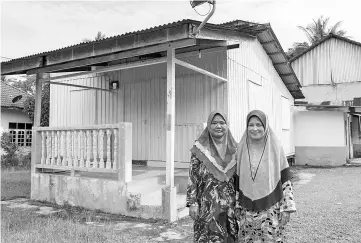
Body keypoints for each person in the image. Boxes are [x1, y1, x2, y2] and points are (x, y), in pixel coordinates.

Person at [235, 110, 296, 243]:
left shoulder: (275, 147)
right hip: (246, 209)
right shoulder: (241, 147)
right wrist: (237, 205)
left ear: (265, 126)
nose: (255, 128)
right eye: (251, 125)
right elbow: (237, 180)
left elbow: (285, 179)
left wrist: (287, 207)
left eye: (259, 124)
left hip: (271, 208)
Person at [186, 110, 239, 243]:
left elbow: (241, 179)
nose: (218, 126)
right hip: (206, 206)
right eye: (214, 123)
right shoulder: (199, 149)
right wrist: (192, 203)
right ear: (208, 126)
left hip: (230, 207)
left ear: (227, 125)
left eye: (222, 122)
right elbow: (193, 177)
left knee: (229, 236)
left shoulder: (236, 150)